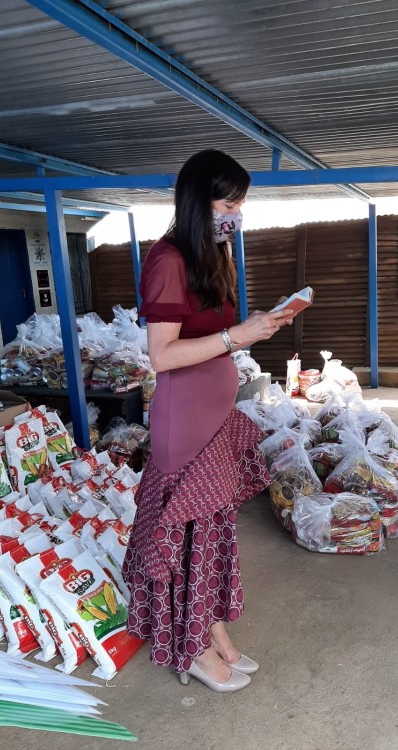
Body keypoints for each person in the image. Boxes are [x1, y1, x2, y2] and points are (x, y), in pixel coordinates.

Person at [122, 150, 294, 693]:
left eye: (240, 204)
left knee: (212, 534)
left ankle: (211, 629)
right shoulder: (168, 259)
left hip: (215, 415)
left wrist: (257, 327)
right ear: (200, 202)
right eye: (229, 204)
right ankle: (190, 648)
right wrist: (236, 336)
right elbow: (163, 355)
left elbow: (218, 335)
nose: (237, 215)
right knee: (188, 538)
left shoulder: (214, 254)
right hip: (185, 423)